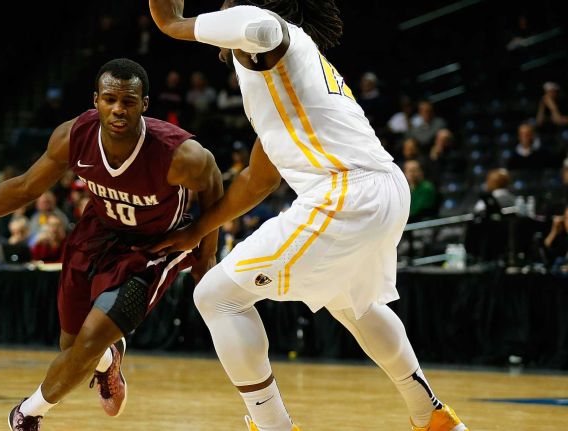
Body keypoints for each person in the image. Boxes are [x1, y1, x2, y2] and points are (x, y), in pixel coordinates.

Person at [148, 1, 468, 430]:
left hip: (346, 194)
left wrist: (171, 23)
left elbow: (260, 27)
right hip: (381, 190)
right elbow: (258, 180)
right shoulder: (283, 75)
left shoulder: (273, 37)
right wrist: (199, 230)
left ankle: (274, 426)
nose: (224, 7)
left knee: (216, 297)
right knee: (352, 303)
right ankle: (431, 416)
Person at [0, 58, 223, 431]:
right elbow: (25, 188)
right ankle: (107, 362)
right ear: (95, 100)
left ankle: (27, 413)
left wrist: (204, 253)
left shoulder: (179, 155)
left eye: (128, 101)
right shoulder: (73, 136)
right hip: (95, 234)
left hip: (153, 247)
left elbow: (214, 187)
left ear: (145, 105)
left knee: (91, 338)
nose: (118, 108)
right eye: (110, 99)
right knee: (72, 345)